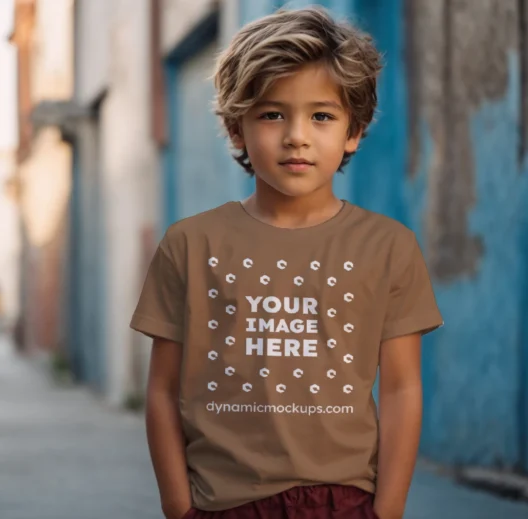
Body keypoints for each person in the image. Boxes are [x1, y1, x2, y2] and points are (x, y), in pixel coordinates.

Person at [131, 7, 444, 519]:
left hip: (344, 501)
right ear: (236, 129)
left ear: (354, 131)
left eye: (322, 116)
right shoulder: (190, 244)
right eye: (272, 114)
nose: (297, 135)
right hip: (224, 502)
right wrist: (177, 505)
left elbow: (402, 386)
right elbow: (163, 389)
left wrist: (386, 510)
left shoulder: (389, 246)